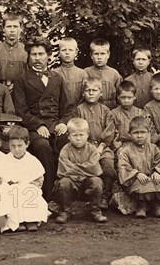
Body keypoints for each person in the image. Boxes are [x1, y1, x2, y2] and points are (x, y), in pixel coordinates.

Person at [13, 37, 75, 200]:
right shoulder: (22, 79)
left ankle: (66, 193)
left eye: (41, 54)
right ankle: (47, 196)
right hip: (34, 127)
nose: (37, 58)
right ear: (29, 57)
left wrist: (63, 123)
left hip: (55, 124)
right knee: (42, 146)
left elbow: (67, 107)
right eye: (33, 54)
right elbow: (21, 110)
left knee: (66, 143)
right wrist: (38, 125)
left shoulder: (57, 78)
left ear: (48, 56)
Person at [53, 118, 108, 224]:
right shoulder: (65, 150)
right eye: (75, 135)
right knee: (63, 183)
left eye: (81, 135)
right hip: (71, 184)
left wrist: (75, 168)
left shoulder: (92, 149)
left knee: (97, 182)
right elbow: (64, 170)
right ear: (68, 136)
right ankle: (64, 212)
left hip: (87, 185)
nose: (78, 139)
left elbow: (94, 168)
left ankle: (95, 211)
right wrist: (84, 169)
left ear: (87, 134)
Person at [74, 78, 117, 209]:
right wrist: (86, 146)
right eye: (88, 90)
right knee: (81, 165)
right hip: (83, 147)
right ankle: (85, 194)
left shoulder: (106, 111)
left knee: (108, 163)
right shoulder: (78, 110)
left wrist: (101, 146)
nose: (91, 93)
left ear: (101, 93)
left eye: (94, 90)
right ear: (83, 93)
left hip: (101, 147)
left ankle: (105, 196)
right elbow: (76, 130)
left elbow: (109, 131)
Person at [117, 116, 160, 219]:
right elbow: (123, 167)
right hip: (135, 180)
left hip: (151, 177)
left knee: (158, 182)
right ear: (129, 134)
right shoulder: (125, 150)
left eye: (142, 132)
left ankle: (157, 205)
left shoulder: (154, 148)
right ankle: (141, 206)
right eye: (136, 133)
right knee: (141, 184)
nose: (139, 136)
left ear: (148, 133)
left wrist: (157, 172)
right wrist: (136, 174)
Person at [3, 126, 48, 232]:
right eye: (13, 146)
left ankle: (31, 220)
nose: (16, 149)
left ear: (26, 144)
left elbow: (39, 179)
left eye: (20, 146)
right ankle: (17, 221)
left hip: (28, 190)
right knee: (13, 196)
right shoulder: (5, 160)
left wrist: (31, 186)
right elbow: (2, 178)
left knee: (31, 194)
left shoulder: (32, 160)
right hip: (12, 191)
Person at [0, 13, 27, 91]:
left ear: (21, 28)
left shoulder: (26, 51)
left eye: (15, 27)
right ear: (3, 28)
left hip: (20, 91)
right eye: (9, 27)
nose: (12, 30)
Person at [82, 39, 123, 109]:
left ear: (108, 55)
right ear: (91, 55)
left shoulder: (114, 74)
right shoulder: (86, 72)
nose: (99, 57)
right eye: (96, 54)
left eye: (102, 54)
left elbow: (121, 96)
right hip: (91, 109)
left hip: (111, 109)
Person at [111, 81, 149, 150]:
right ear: (118, 97)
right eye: (123, 97)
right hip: (122, 146)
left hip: (138, 145)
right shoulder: (113, 114)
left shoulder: (141, 113)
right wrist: (117, 147)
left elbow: (147, 133)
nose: (126, 100)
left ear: (134, 97)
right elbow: (111, 135)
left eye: (129, 97)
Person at [53, 38, 84, 105]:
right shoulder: (53, 74)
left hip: (78, 112)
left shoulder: (83, 73)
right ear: (59, 52)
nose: (67, 52)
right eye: (64, 50)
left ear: (76, 52)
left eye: (70, 50)